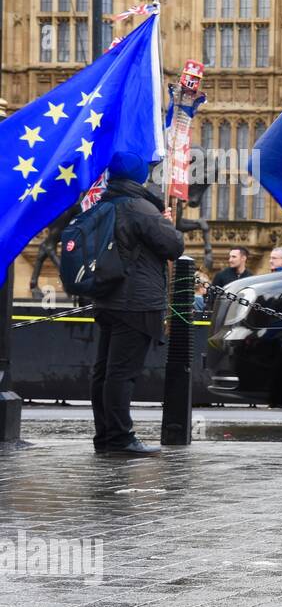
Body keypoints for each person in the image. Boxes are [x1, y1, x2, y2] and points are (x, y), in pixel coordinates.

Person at [90, 152, 186, 456]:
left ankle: (105, 436)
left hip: (108, 298)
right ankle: (120, 438)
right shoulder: (140, 207)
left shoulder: (104, 203)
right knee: (121, 374)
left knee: (104, 372)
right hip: (136, 302)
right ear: (138, 175)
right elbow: (173, 246)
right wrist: (166, 224)